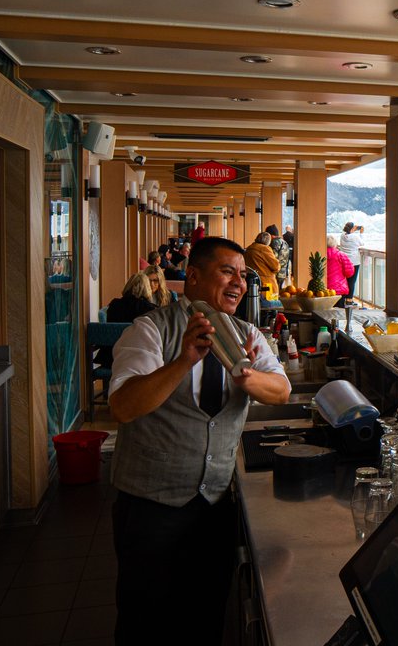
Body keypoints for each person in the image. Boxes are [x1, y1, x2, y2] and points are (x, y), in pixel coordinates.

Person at [108, 236, 291, 644]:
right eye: (227, 271)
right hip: (151, 508)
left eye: (243, 275)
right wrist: (184, 361)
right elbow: (123, 406)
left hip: (214, 507)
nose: (238, 283)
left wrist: (246, 374)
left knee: (206, 617)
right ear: (192, 277)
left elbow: (281, 390)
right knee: (145, 622)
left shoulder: (248, 335)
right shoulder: (150, 330)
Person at [95, 272, 159, 369]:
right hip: (140, 362)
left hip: (112, 360)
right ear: (147, 288)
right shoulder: (151, 310)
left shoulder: (114, 305)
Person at [244, 231, 281, 299]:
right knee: (269, 307)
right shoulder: (264, 249)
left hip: (251, 284)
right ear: (268, 241)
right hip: (266, 285)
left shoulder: (249, 248)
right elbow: (276, 267)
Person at [339, 221, 365, 305]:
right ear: (352, 229)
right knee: (352, 281)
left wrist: (352, 229)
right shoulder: (355, 237)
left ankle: (342, 298)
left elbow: (346, 232)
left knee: (344, 280)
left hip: (343, 260)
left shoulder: (342, 236)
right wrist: (361, 233)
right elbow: (362, 243)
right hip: (354, 262)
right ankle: (349, 299)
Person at [326, 234, 355, 307]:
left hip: (323, 289)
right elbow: (349, 273)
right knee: (339, 313)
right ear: (335, 243)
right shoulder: (341, 255)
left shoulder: (320, 254)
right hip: (339, 289)